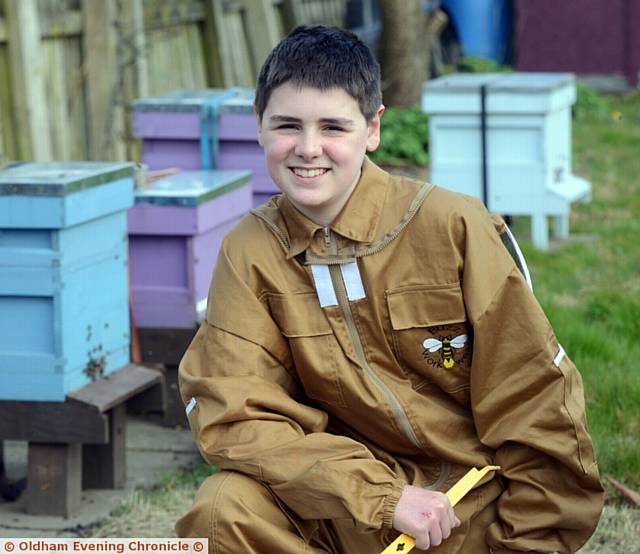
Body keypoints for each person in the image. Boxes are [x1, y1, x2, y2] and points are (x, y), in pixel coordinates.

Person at [176, 25, 603, 553]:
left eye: (333, 126)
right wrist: (379, 497)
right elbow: (234, 413)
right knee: (223, 509)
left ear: (372, 128)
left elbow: (534, 399)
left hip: (465, 511)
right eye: (287, 125)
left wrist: (528, 541)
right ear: (259, 126)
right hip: (339, 506)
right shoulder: (248, 251)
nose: (308, 149)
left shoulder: (452, 225)